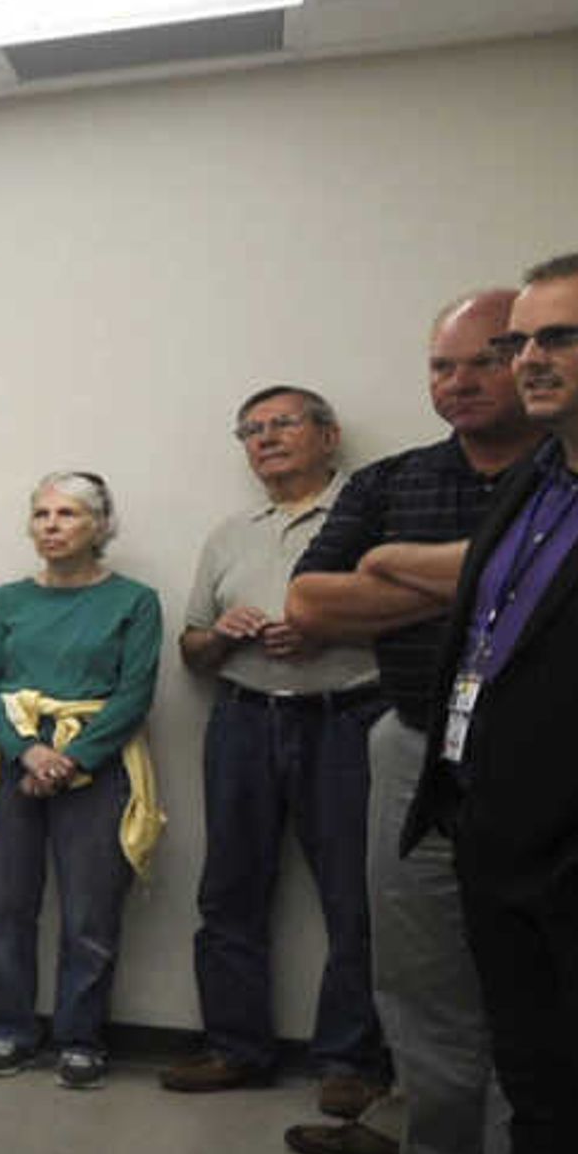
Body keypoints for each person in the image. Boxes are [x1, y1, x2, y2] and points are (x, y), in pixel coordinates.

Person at [373, 248, 578, 1154]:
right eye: (524, 339)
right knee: (552, 1108)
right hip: (498, 832)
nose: (531, 360)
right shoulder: (534, 487)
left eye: (563, 337)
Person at [280, 294, 532, 1154]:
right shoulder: (395, 480)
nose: (458, 382)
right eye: (440, 366)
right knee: (421, 984)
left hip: (542, 759)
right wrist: (490, 580)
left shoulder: (570, 479)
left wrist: (398, 576)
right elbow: (311, 600)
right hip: (416, 742)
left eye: (483, 360)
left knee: (526, 989)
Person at [163, 385, 387, 1107]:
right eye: (250, 430)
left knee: (356, 896)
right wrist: (220, 636)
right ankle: (235, 1047)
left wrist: (331, 630)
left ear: (329, 434)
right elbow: (192, 648)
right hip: (244, 719)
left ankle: (350, 1063)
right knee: (228, 889)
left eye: (282, 423)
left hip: (347, 720)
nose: (265, 439)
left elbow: (419, 621)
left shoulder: (374, 514)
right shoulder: (231, 533)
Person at [0, 472, 165, 1089]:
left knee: (90, 914)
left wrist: (73, 759)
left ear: (100, 525)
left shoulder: (135, 601)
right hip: (11, 762)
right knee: (6, 908)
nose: (51, 525)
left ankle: (80, 1039)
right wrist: (28, 752)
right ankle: (11, 1032)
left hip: (95, 767)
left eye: (67, 514)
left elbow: (135, 692)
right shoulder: (7, 600)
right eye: (41, 513)